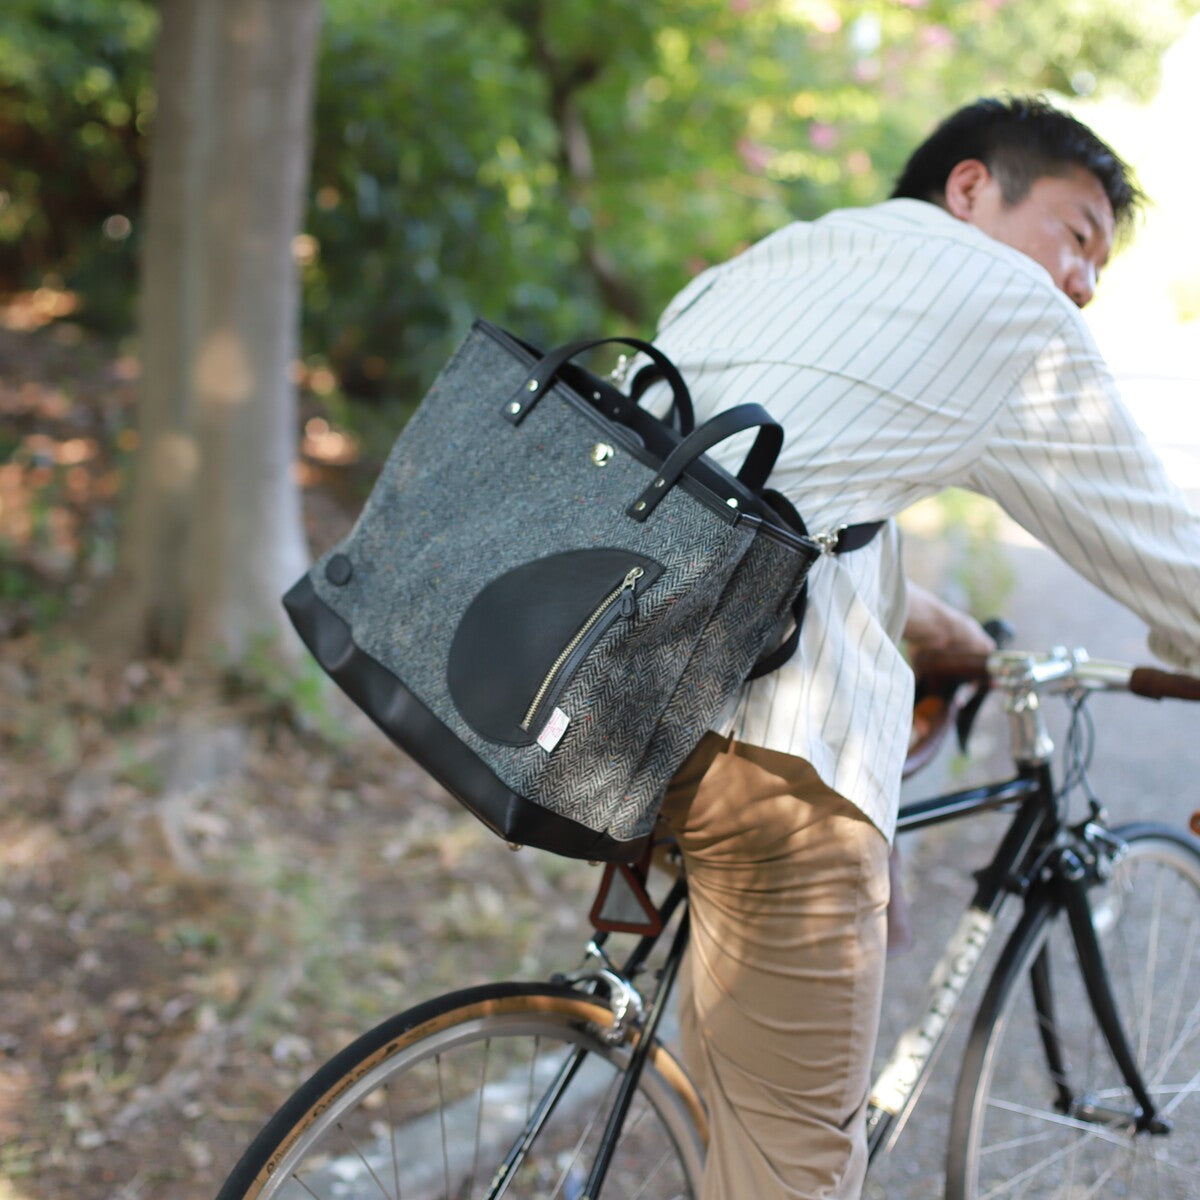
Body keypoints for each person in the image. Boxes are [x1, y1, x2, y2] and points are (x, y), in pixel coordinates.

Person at [638, 95, 1200, 1199]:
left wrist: (956, 642)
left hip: (596, 704)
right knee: (796, 1162)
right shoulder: (1002, 304)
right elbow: (1161, 548)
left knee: (731, 1114)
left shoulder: (785, 257)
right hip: (758, 740)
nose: (1084, 282)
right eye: (1079, 237)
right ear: (972, 188)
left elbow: (797, 514)